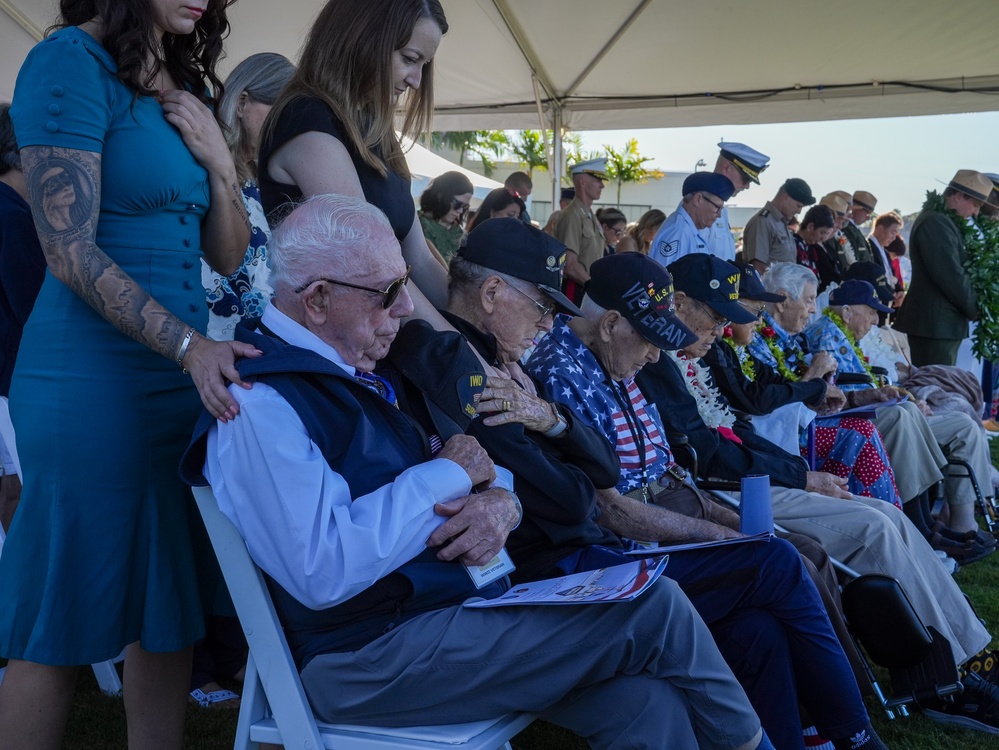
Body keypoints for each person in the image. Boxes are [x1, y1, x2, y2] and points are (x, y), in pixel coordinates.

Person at [183, 194, 774, 750]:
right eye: (387, 292)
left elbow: (488, 474)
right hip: (366, 658)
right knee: (656, 608)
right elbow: (323, 568)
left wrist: (502, 504)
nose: (407, 308)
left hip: (451, 617)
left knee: (646, 704)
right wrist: (448, 475)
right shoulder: (258, 405)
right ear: (315, 300)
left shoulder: (366, 362)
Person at [431, 232, 885, 750]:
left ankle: (807, 735)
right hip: (585, 562)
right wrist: (719, 535)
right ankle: (855, 736)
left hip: (615, 540)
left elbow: (618, 469)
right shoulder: (546, 370)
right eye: (540, 306)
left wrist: (554, 421)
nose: (654, 357)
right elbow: (600, 502)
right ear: (610, 324)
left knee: (758, 627)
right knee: (777, 561)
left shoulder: (576, 368)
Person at [0, 1, 260, 748]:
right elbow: (68, 251)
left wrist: (220, 164)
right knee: (59, 615)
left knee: (167, 603)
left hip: (177, 374)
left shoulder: (182, 80)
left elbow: (230, 256)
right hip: (89, 379)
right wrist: (189, 348)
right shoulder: (66, 64)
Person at [258, 0, 458, 329]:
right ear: (362, 38)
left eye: (424, 64)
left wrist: (480, 329)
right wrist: (467, 357)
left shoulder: (374, 130)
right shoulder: (307, 119)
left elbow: (419, 258)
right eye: (410, 59)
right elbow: (378, 267)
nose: (416, 81)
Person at [804, 279, 996, 544]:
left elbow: (872, 382)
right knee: (903, 416)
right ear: (847, 312)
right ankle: (922, 526)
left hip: (876, 409)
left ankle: (960, 522)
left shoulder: (848, 333)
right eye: (870, 311)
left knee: (964, 424)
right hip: (851, 418)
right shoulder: (827, 335)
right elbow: (834, 394)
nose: (875, 319)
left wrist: (904, 396)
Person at [704, 264, 901, 507]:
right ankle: (878, 510)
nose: (814, 309)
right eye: (809, 299)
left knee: (891, 417)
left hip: (787, 426)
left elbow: (780, 384)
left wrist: (820, 389)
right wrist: (816, 380)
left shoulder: (754, 341)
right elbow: (759, 400)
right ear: (784, 301)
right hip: (772, 434)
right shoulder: (736, 343)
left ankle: (890, 512)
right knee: (864, 431)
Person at [202, 52, 295, 342]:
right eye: (279, 113)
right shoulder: (201, 167)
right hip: (209, 345)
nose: (286, 127)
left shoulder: (266, 178)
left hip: (259, 346)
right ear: (242, 103)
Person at [894, 169, 992, 366]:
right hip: (935, 325)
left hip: (939, 325)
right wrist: (979, 310)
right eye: (975, 204)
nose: (976, 212)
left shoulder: (942, 221)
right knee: (936, 387)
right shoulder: (935, 222)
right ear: (957, 196)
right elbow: (952, 276)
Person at [702, 142, 771, 262]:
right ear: (727, 167)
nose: (747, 186)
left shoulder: (722, 212)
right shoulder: (701, 208)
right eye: (745, 178)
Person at [648, 172, 735, 266]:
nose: (719, 215)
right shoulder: (678, 232)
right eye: (717, 207)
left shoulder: (689, 230)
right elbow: (666, 278)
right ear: (698, 199)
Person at [553, 158, 607, 301]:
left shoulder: (590, 215)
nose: (602, 185)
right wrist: (593, 288)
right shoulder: (572, 216)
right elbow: (570, 265)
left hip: (587, 289)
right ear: (582, 182)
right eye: (597, 179)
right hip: (576, 289)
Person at [743, 178, 814, 273]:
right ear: (785, 197)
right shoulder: (764, 222)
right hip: (770, 287)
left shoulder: (781, 223)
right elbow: (758, 267)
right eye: (798, 206)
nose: (799, 211)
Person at [417, 171, 473, 264]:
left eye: (465, 207)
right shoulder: (421, 225)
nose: (460, 211)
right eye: (458, 204)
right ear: (440, 196)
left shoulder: (457, 230)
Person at [793, 204, 842, 291]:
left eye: (826, 234)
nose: (823, 238)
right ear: (810, 227)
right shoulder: (793, 244)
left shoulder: (812, 247)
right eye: (822, 232)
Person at [867, 211, 904, 299]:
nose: (894, 238)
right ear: (880, 229)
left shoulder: (886, 252)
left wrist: (899, 290)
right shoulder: (868, 247)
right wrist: (890, 293)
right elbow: (876, 278)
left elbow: (892, 275)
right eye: (893, 232)